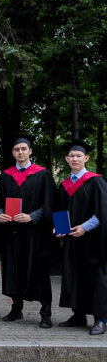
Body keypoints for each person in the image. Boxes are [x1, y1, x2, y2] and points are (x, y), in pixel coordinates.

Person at [0, 133, 56, 328]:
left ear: (30, 151)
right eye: (16, 149)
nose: (20, 152)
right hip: (13, 233)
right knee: (15, 270)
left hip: (35, 234)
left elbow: (49, 203)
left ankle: (45, 313)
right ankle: (16, 310)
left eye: (24, 149)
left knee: (39, 272)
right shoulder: (6, 175)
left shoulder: (42, 174)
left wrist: (32, 216)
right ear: (13, 153)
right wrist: (0, 214)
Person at [55, 139, 107, 335]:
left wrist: (85, 227)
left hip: (92, 240)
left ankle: (101, 319)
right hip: (72, 240)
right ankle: (78, 314)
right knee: (74, 275)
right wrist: (59, 227)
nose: (75, 158)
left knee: (95, 278)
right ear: (67, 159)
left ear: (86, 158)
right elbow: (60, 210)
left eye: (78, 156)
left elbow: (102, 211)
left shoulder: (96, 181)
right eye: (71, 156)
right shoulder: (65, 184)